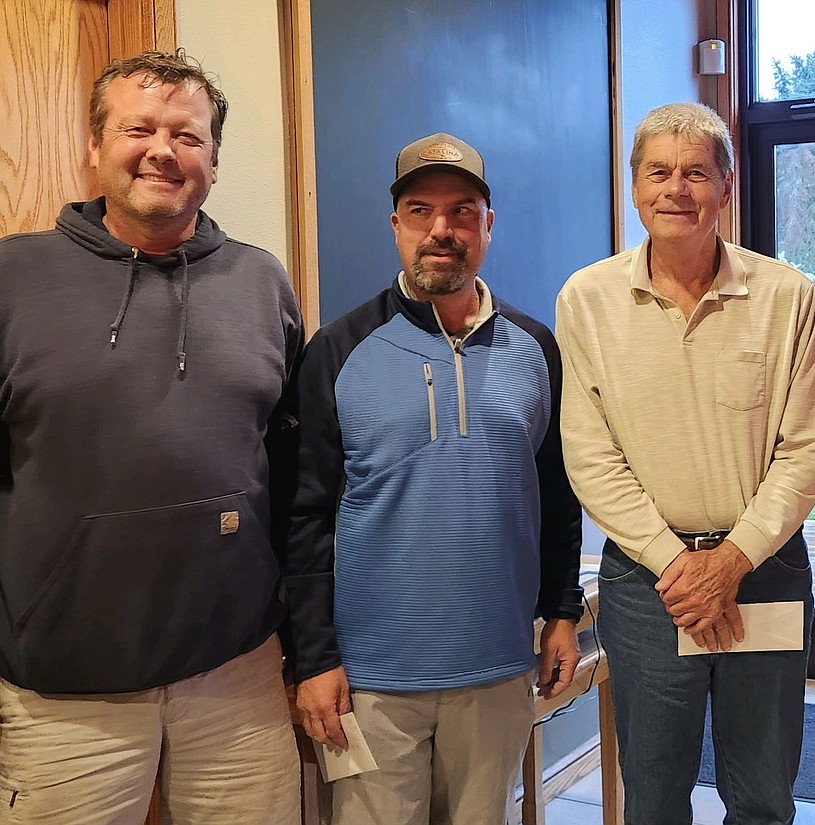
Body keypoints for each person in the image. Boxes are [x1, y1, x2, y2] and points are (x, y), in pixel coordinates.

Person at [0, 51, 303, 824]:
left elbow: (297, 467)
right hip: (65, 693)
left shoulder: (262, 281)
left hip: (240, 673)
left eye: (188, 135)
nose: (163, 150)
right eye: (139, 128)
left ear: (212, 159)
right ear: (95, 147)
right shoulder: (13, 280)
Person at [284, 132, 584, 825]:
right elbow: (303, 516)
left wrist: (563, 610)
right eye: (421, 210)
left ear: (488, 224)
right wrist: (313, 656)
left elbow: (556, 494)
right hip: (371, 680)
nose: (440, 230)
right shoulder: (338, 349)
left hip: (499, 666)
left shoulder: (535, 346)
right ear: (396, 226)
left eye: (462, 211)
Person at [557, 103, 815, 825]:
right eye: (658, 171)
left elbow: (805, 450)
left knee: (765, 791)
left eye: (696, 172)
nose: (675, 188)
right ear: (635, 184)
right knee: (652, 791)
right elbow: (590, 454)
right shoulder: (586, 300)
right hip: (647, 584)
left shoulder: (788, 297)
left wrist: (731, 560)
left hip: (764, 572)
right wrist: (679, 567)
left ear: (727, 187)